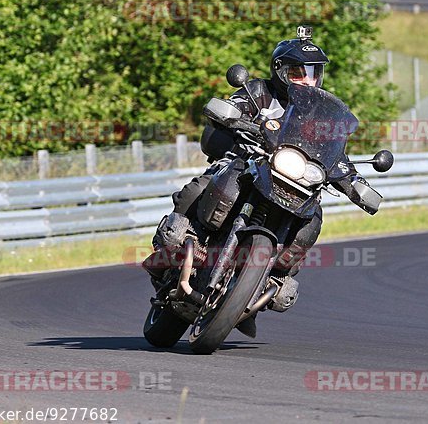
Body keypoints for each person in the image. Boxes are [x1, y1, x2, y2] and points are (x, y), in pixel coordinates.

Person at [145, 26, 377, 335]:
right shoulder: (258, 92)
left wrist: (356, 183)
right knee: (203, 186)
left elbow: (336, 154)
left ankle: (271, 278)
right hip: (248, 161)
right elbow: (235, 105)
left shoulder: (322, 114)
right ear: (280, 70)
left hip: (294, 180)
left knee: (313, 218)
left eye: (313, 72)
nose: (306, 79)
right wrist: (230, 112)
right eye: (298, 72)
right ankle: (177, 240)